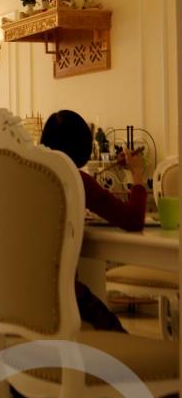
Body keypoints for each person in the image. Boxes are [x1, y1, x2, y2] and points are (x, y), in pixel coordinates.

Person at [40, 109, 148, 332]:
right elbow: (133, 219)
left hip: (18, 293)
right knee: (118, 337)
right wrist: (137, 173)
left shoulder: (30, 176)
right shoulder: (76, 180)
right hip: (62, 295)